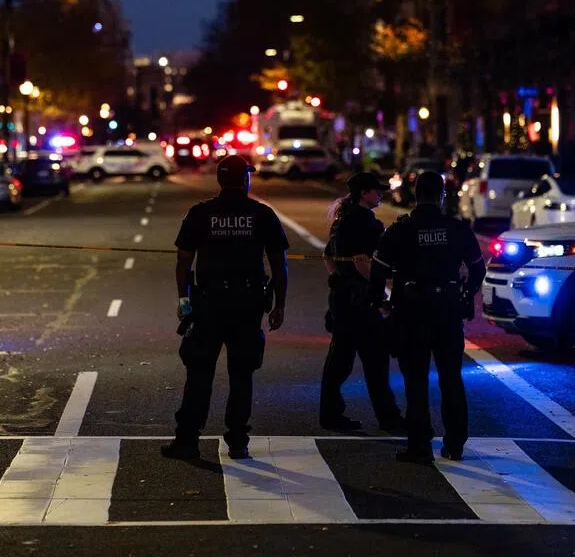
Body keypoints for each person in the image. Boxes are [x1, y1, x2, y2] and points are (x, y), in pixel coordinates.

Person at [162, 154, 289, 461]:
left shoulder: (201, 213)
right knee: (242, 374)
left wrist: (184, 300)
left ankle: (188, 441)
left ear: (219, 180)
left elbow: (183, 260)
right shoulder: (261, 214)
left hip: (209, 303)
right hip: (247, 304)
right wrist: (280, 305)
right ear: (246, 179)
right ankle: (237, 441)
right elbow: (279, 264)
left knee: (199, 373)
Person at [370, 171, 486, 464]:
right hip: (447, 309)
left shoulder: (401, 230)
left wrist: (382, 303)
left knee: (416, 381)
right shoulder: (456, 229)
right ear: (443, 195)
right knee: (451, 378)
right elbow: (477, 269)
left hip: (412, 311)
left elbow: (377, 272)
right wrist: (465, 292)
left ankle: (420, 445)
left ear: (415, 195)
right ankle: (455, 443)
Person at [320, 172, 403, 433]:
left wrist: (340, 277)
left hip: (341, 299)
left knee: (339, 360)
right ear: (364, 193)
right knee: (376, 361)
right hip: (361, 301)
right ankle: (389, 418)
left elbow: (329, 259)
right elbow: (364, 263)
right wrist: (379, 294)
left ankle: (330, 414)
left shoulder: (340, 222)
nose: (381, 195)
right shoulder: (368, 224)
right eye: (377, 190)